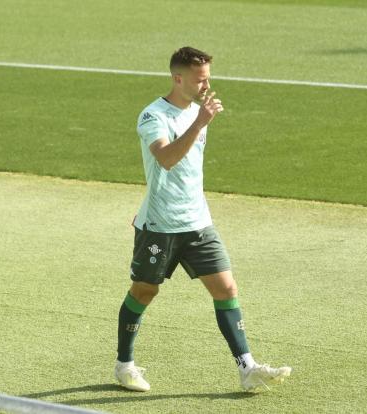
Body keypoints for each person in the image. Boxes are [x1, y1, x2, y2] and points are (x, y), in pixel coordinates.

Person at [114, 46, 291, 393]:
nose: (206, 85)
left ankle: (247, 367)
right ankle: (124, 365)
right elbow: (166, 159)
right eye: (200, 79)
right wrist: (200, 121)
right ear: (178, 79)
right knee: (145, 291)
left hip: (197, 221)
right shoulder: (153, 116)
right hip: (160, 226)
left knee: (226, 288)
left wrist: (199, 118)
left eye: (208, 77)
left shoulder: (198, 112)